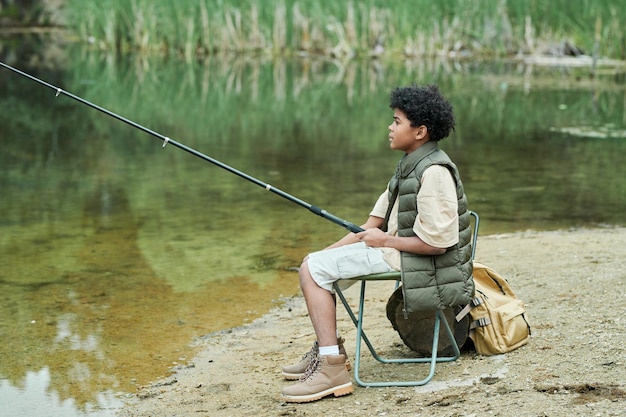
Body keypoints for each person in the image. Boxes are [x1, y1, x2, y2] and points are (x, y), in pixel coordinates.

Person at [280, 84, 474, 403]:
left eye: (397, 121)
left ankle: (331, 368)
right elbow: (369, 226)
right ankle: (329, 350)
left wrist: (385, 240)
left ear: (420, 131)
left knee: (315, 272)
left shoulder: (434, 172)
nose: (390, 126)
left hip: (416, 261)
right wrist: (321, 256)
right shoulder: (408, 166)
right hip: (396, 251)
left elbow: (439, 244)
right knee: (313, 266)